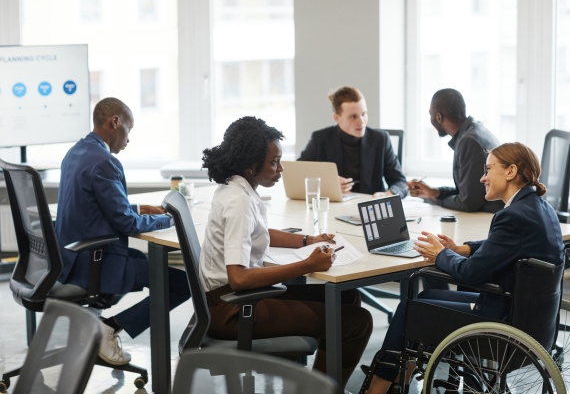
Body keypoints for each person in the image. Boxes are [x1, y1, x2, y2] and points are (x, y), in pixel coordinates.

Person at [365, 142, 564, 394]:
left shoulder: (512, 216)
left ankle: (377, 388)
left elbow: (469, 273)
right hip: (531, 319)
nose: (482, 178)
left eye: (488, 169)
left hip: (500, 322)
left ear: (511, 171)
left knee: (408, 309)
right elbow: (507, 245)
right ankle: (399, 381)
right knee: (426, 297)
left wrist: (441, 254)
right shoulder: (539, 207)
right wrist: (463, 249)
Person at [201, 116, 373, 390]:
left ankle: (313, 383)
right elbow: (239, 279)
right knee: (357, 322)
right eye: (273, 162)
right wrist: (306, 264)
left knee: (349, 297)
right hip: (233, 310)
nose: (281, 169)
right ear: (251, 164)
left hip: (231, 300)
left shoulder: (235, 187)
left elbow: (260, 231)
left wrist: (308, 239)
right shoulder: (239, 202)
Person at [55, 97, 191, 365]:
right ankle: (109, 326)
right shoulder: (105, 161)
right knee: (184, 284)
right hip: (93, 264)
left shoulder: (76, 152)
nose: (128, 139)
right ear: (114, 122)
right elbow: (127, 224)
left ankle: (99, 325)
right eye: (128, 130)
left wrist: (140, 207)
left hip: (68, 259)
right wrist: (172, 220)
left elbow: (94, 201)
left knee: (141, 261)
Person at [298, 86, 408, 198]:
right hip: (334, 207)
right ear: (336, 118)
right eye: (353, 117)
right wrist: (327, 185)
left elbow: (401, 182)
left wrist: (388, 194)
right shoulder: (320, 138)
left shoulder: (381, 139)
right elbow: (297, 174)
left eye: (364, 114)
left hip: (370, 208)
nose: (361, 121)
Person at [408, 88, 503, 213]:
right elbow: (466, 191)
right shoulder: (475, 130)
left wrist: (437, 200)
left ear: (438, 117)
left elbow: (468, 203)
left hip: (488, 217)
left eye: (430, 114)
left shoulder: (468, 141)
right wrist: (435, 192)